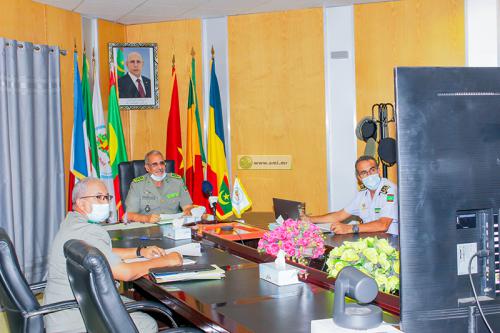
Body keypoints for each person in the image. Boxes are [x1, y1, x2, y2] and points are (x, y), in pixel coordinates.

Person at [43, 177, 182, 333]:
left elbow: (97, 253)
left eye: (106, 197)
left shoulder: (72, 222)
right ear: (81, 203)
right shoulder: (88, 230)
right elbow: (125, 273)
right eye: (98, 197)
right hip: (76, 318)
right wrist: (167, 260)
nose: (105, 202)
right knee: (147, 324)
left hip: (64, 312)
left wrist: (139, 251)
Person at [303, 155, 398, 235]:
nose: (369, 175)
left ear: (379, 171)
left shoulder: (389, 190)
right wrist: (310, 219)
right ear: (359, 178)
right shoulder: (362, 194)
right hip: (371, 244)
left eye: (372, 170)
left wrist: (349, 228)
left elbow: (383, 225)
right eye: (364, 173)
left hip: (392, 245)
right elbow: (339, 215)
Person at [125, 150, 194, 223]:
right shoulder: (137, 185)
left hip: (173, 225)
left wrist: (188, 211)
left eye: (162, 163)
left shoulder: (177, 181)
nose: (160, 167)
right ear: (147, 168)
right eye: (155, 164)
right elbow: (129, 215)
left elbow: (188, 207)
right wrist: (146, 219)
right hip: (147, 228)